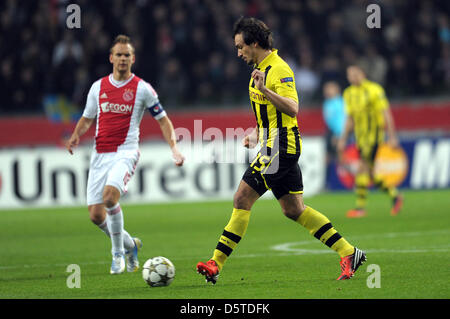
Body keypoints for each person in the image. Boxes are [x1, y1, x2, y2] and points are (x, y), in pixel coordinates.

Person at [196, 17, 366, 284]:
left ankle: (215, 263)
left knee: (242, 198)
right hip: (272, 143)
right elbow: (269, 115)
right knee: (293, 209)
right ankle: (349, 252)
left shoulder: (278, 69)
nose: (238, 53)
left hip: (282, 146)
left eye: (241, 47)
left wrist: (264, 89)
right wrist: (256, 132)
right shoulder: (259, 71)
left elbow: (292, 107)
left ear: (254, 43)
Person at [66, 35, 185, 274]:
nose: (122, 58)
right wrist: (76, 135)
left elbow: (163, 120)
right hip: (100, 153)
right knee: (95, 215)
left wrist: (174, 147)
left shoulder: (143, 89)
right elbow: (88, 117)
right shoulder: (98, 87)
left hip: (126, 151)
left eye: (126, 55)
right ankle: (131, 245)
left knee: (110, 198)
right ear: (111, 58)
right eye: (118, 54)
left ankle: (117, 254)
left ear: (133, 58)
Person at [337, 65, 403, 218]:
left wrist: (392, 136)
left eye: (355, 74)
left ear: (362, 73)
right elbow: (350, 119)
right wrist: (343, 139)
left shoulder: (374, 90)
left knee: (362, 168)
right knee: (371, 173)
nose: (352, 77)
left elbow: (386, 113)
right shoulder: (348, 93)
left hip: (374, 137)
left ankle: (360, 208)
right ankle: (395, 196)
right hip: (360, 138)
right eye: (349, 75)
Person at [322, 81, 345, 166]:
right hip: (330, 132)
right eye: (326, 89)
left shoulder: (340, 102)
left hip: (339, 133)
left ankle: (342, 176)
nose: (327, 90)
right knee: (328, 155)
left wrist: (339, 135)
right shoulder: (327, 102)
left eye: (330, 88)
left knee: (340, 153)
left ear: (336, 90)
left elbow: (342, 120)